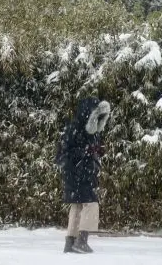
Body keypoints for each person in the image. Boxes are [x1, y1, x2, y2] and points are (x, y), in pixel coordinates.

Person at [55, 97, 111, 254]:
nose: (99, 120)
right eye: (97, 116)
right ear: (89, 114)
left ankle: (70, 242)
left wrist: (97, 150)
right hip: (78, 174)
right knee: (91, 204)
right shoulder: (76, 129)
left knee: (78, 205)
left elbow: (88, 149)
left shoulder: (88, 131)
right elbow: (63, 155)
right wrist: (86, 151)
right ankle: (81, 241)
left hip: (82, 173)